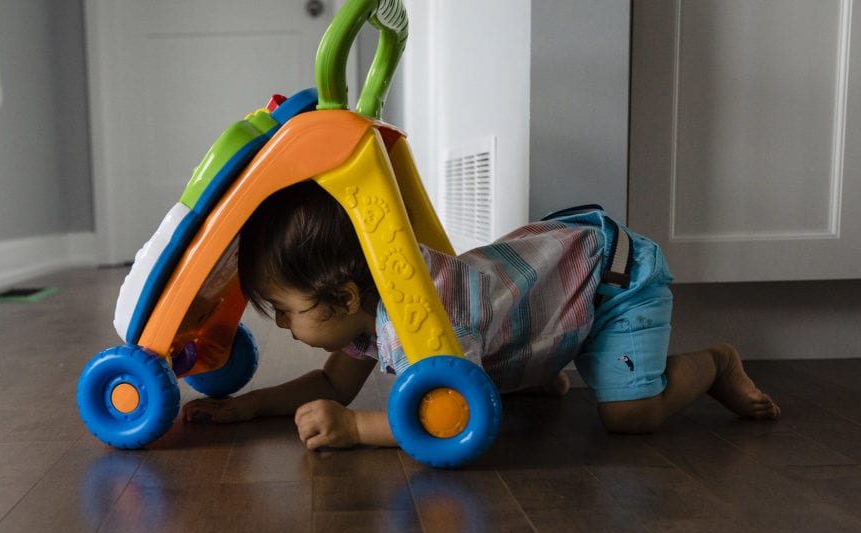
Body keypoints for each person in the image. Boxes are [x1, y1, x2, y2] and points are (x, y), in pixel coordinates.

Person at [181, 181, 780, 450]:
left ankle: (716, 364)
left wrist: (356, 429)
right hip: (547, 284)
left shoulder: (423, 318)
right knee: (509, 363)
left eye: (286, 312)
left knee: (629, 415)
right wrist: (249, 405)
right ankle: (547, 362)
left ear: (340, 297)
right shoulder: (370, 308)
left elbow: (457, 412)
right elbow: (331, 382)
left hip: (612, 277)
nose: (284, 327)